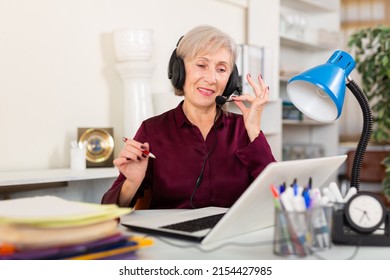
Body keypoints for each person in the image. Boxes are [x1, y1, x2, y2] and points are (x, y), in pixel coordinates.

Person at [101, 25, 276, 209]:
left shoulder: (244, 129)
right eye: (201, 65)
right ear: (178, 71)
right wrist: (132, 183)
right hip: (171, 237)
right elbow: (109, 211)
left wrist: (254, 132)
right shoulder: (152, 131)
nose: (211, 78)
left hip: (230, 236)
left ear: (231, 80)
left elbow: (279, 198)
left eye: (222, 69)